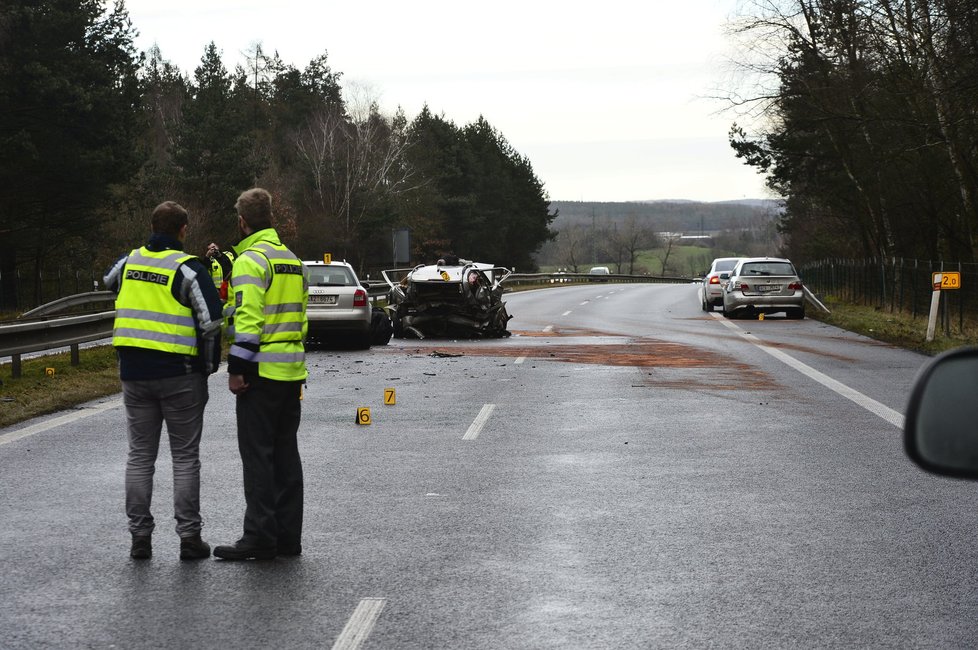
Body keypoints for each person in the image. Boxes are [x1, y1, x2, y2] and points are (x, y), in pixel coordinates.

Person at [103, 201, 224, 561]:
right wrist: (209, 367)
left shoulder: (130, 261)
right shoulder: (188, 269)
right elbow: (212, 322)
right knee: (185, 458)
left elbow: (110, 283)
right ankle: (189, 538)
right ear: (183, 230)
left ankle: (140, 537)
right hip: (180, 375)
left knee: (140, 457)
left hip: (134, 375)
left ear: (152, 225)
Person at [214, 188, 308, 561]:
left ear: (242, 221)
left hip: (260, 373)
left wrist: (237, 368)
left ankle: (258, 536)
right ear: (271, 216)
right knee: (286, 458)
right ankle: (288, 538)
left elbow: (249, 322)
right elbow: (300, 321)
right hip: (291, 371)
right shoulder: (291, 259)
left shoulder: (250, 261)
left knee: (258, 458)